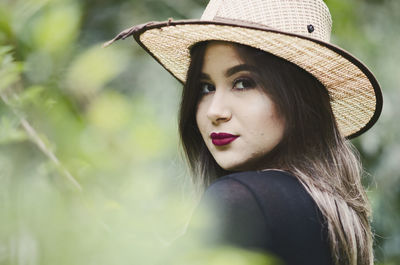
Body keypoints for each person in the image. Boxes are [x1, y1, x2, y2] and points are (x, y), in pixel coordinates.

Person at [105, 0, 383, 265]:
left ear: (298, 98)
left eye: (243, 83)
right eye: (205, 87)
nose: (215, 111)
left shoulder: (240, 201)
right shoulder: (333, 217)